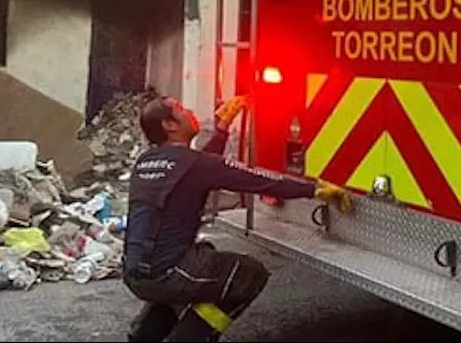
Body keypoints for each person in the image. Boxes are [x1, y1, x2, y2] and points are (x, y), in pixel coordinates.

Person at [122, 95, 353, 342]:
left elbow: (197, 169)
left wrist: (221, 129)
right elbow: (256, 179)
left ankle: (144, 336)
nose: (190, 111)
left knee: (201, 259)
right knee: (247, 275)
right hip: (169, 274)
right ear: (170, 125)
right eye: (181, 110)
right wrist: (314, 190)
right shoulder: (195, 164)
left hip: (135, 272)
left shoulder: (145, 162)